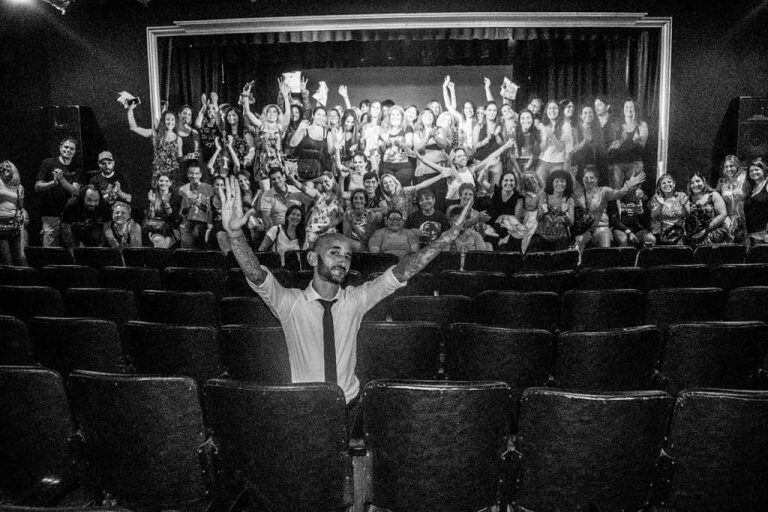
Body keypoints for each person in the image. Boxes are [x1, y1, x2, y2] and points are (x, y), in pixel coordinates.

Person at [219, 174, 474, 428]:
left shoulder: (356, 299)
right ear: (312, 259)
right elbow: (256, 274)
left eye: (348, 256)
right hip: (303, 406)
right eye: (334, 252)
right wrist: (235, 235)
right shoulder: (289, 302)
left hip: (350, 405)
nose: (343, 260)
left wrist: (449, 237)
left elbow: (404, 269)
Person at [574, 166, 646, 251]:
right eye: (586, 178)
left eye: (591, 178)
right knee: (577, 248)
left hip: (601, 227)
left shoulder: (603, 191)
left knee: (604, 246)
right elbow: (569, 180)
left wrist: (629, 184)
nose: (588, 180)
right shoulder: (579, 192)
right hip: (585, 229)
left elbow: (619, 193)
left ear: (597, 179)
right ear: (582, 179)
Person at [36, 136, 82, 247]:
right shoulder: (48, 163)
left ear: (75, 152)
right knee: (50, 248)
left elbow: (75, 191)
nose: (68, 150)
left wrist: (61, 179)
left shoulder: (77, 167)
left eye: (72, 149)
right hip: (50, 214)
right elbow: (37, 186)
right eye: (66, 147)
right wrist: (53, 183)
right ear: (60, 148)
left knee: (71, 248)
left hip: (70, 216)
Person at [127, 102, 182, 185]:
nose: (170, 122)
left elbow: (180, 158)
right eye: (167, 119)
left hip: (173, 174)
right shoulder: (155, 134)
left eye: (172, 119)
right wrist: (130, 111)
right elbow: (134, 128)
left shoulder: (178, 138)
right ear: (163, 120)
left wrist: (188, 157)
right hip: (159, 174)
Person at [528, 169, 575, 252]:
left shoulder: (569, 200)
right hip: (541, 237)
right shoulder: (544, 196)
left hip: (561, 240)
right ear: (552, 183)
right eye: (556, 181)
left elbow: (571, 223)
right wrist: (543, 212)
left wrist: (565, 214)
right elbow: (538, 219)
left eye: (562, 181)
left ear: (567, 183)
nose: (559, 184)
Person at [607, 98, 648, 189]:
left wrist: (633, 142)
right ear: (623, 109)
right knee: (617, 191)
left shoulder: (641, 125)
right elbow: (611, 148)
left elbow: (641, 147)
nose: (629, 109)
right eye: (626, 107)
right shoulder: (616, 126)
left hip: (635, 163)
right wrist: (623, 141)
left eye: (631, 107)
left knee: (634, 193)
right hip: (619, 163)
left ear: (635, 109)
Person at [60, 185, 111, 253]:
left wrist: (102, 247)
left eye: (96, 200)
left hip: (94, 233)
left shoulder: (105, 205)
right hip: (74, 232)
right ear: (83, 197)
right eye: (89, 200)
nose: (92, 204)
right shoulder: (72, 204)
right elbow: (65, 226)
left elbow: (107, 227)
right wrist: (71, 247)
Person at [686, 173, 728, 247]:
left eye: (698, 181)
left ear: (704, 182)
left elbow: (722, 214)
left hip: (713, 236)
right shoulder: (687, 200)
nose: (695, 184)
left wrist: (706, 229)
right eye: (692, 183)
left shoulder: (713, 195)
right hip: (693, 239)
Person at [487, 170, 525, 252]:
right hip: (494, 225)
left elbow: (516, 219)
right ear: (501, 182)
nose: (509, 183)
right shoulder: (496, 193)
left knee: (506, 245)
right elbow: (491, 212)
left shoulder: (519, 198)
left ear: (515, 183)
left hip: (509, 227)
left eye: (511, 180)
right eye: (506, 180)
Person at [178, 164, 214, 249]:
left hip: (204, 220)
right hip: (189, 219)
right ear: (187, 174)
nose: (194, 176)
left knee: (197, 231)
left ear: (200, 175)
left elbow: (211, 210)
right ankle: (187, 255)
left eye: (196, 173)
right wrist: (187, 206)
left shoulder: (208, 188)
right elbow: (182, 213)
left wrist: (199, 204)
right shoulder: (183, 189)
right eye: (191, 173)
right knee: (184, 228)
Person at [260, 167, 306, 231]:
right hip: (278, 230)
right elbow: (266, 218)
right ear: (271, 181)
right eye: (273, 179)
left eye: (279, 177)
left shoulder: (296, 190)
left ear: (284, 177)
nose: (276, 181)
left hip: (297, 229)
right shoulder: (267, 195)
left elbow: (311, 201)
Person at [144, 173, 182, 249]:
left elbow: (174, 218)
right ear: (157, 182)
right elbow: (150, 217)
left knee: (161, 242)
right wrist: (152, 204)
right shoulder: (152, 195)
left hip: (171, 229)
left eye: (166, 181)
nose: (164, 183)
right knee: (158, 240)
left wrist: (166, 203)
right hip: (155, 228)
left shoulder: (176, 197)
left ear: (170, 183)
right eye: (161, 181)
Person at [649, 173, 689, 245]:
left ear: (673, 184)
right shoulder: (656, 198)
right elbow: (653, 216)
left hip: (679, 236)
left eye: (669, 182)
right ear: (659, 187)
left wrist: (684, 206)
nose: (667, 184)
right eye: (663, 183)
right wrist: (661, 205)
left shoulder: (681, 196)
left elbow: (687, 215)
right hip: (662, 236)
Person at [0, 161, 27, 266]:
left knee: (18, 260)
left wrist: (23, 213)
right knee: (7, 260)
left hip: (13, 226)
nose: (4, 168)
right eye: (1, 167)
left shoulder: (18, 187)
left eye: (7, 167)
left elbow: (21, 206)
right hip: (1, 226)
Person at [717, 154, 747, 243]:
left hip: (745, 219)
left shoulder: (745, 179)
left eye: (731, 166)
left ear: (737, 166)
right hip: (728, 221)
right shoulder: (722, 182)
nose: (729, 169)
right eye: (726, 167)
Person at [743, 157, 768, 246]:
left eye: (756, 170)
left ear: (763, 170)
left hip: (764, 234)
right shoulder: (752, 188)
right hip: (752, 233)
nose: (754, 173)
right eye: (751, 171)